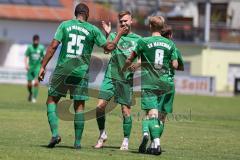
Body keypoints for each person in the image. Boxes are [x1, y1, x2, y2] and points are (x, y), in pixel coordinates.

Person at [38, 3, 128, 149]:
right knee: (79, 107)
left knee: (51, 101)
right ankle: (77, 144)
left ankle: (55, 134)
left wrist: (43, 66)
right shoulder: (92, 30)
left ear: (75, 13)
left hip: (63, 69)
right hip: (81, 72)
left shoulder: (65, 25)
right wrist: (118, 34)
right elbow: (109, 47)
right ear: (87, 15)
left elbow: (53, 46)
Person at [123, 16, 179, 155]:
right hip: (166, 82)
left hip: (149, 82)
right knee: (161, 117)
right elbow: (175, 65)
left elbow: (131, 58)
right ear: (162, 27)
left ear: (150, 27)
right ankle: (154, 144)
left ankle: (153, 140)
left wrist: (126, 66)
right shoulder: (170, 44)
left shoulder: (143, 42)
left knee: (151, 115)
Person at [94, 11, 141, 150]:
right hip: (110, 76)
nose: (123, 23)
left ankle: (126, 140)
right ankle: (102, 134)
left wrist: (138, 64)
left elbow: (143, 56)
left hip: (125, 79)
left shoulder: (138, 39)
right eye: (121, 21)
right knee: (99, 107)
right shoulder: (114, 35)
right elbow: (108, 50)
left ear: (131, 21)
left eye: (126, 20)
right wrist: (114, 34)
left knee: (125, 111)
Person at [25, 34, 45, 103]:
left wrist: (44, 66)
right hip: (31, 68)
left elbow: (44, 57)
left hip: (38, 68)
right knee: (29, 84)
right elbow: (26, 56)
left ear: (38, 41)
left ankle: (34, 97)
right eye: (34, 41)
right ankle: (30, 93)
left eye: (37, 41)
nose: (36, 42)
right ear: (33, 41)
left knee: (36, 83)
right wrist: (26, 65)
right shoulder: (30, 47)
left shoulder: (41, 48)